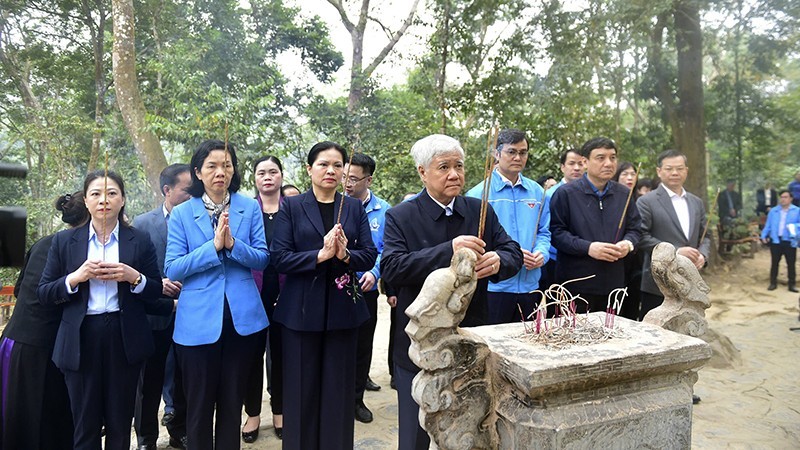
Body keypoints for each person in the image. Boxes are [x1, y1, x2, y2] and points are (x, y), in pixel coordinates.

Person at [381, 134, 523, 450]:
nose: (454, 174)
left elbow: (512, 250)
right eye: (443, 167)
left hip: (473, 334)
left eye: (458, 165)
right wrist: (449, 249)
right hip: (421, 341)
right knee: (416, 431)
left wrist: (499, 260)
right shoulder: (400, 215)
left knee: (473, 426)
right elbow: (392, 267)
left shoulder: (478, 209)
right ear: (422, 172)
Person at [38, 170, 172, 449]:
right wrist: (76, 277)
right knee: (85, 424)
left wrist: (132, 276)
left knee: (120, 423)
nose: (104, 200)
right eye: (96, 194)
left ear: (122, 200)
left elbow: (155, 290)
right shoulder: (64, 242)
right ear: (86, 201)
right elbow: (45, 293)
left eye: (111, 193)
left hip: (124, 337)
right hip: (80, 337)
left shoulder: (138, 240)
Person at [271, 142, 378, 450]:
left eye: (337, 165)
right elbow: (279, 257)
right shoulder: (290, 206)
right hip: (301, 311)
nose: (331, 170)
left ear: (345, 171)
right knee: (301, 391)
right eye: (323, 164)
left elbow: (369, 255)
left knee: (338, 392)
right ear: (309, 169)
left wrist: (345, 255)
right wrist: (319, 255)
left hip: (343, 310)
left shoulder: (353, 207)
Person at [164, 139, 269, 450]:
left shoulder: (248, 207)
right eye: (212, 165)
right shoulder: (183, 213)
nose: (220, 171)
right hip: (197, 324)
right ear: (198, 172)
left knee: (231, 402)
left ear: (233, 170)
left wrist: (234, 245)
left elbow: (263, 258)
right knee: (198, 405)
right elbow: (173, 267)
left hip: (242, 321)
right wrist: (213, 247)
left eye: (226, 165)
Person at [0, 192, 87, 450]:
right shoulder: (75, 248)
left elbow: (18, 290)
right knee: (42, 425)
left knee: (17, 422)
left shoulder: (43, 243)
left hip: (14, 342)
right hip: (40, 349)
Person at [132, 164, 191, 450]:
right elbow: (133, 269)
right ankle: (146, 438)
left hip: (190, 312)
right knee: (150, 380)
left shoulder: (201, 219)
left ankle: (179, 431)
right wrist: (158, 282)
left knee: (184, 378)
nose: (193, 194)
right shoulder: (142, 224)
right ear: (167, 190)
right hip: (154, 314)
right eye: (186, 189)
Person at [466, 128, 550, 324]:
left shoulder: (538, 192)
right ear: (497, 154)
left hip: (530, 285)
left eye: (523, 152)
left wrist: (541, 253)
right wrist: (512, 255)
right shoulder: (479, 194)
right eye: (511, 152)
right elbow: (476, 241)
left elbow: (544, 231)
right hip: (495, 286)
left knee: (527, 343)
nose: (518, 157)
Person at [549, 137, 642, 313]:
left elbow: (635, 229)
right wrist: (588, 248)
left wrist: (627, 244)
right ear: (585, 162)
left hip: (614, 285)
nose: (608, 163)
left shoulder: (624, 194)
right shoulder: (566, 194)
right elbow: (556, 233)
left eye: (613, 158)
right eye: (601, 158)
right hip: (575, 285)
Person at [343, 153, 391, 424]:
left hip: (366, 288)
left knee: (363, 345)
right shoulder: (336, 205)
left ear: (368, 179)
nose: (347, 183)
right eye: (344, 177)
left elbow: (387, 249)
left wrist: (375, 273)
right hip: (336, 288)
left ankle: (357, 400)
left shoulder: (384, 211)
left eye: (353, 178)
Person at [637, 149, 711, 319]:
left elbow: (705, 235)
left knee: (688, 329)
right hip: (658, 283)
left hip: (690, 282)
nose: (675, 173)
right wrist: (676, 251)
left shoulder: (696, 202)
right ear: (659, 171)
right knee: (655, 333)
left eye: (679, 168)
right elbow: (641, 236)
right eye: (669, 169)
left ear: (686, 170)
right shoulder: (647, 201)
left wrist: (703, 256)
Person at [242, 155, 285, 442]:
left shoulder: (294, 209)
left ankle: (280, 411)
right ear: (254, 179)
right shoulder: (245, 210)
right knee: (251, 357)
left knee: (282, 356)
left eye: (273, 171)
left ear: (282, 176)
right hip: (252, 294)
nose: (267, 177)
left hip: (287, 294)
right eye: (261, 173)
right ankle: (253, 414)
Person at [540, 148, 585, 295]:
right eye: (572, 163)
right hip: (556, 259)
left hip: (584, 258)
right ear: (562, 167)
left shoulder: (589, 192)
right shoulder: (551, 194)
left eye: (581, 163)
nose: (577, 168)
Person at [613, 162, 644, 320]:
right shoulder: (613, 199)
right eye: (625, 174)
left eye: (633, 174)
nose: (630, 177)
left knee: (633, 300)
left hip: (636, 260)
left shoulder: (640, 199)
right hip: (615, 259)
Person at [760, 190, 800, 292]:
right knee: (774, 262)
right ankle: (773, 283)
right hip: (776, 240)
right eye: (781, 197)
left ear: (791, 199)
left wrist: (793, 227)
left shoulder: (797, 211)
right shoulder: (774, 211)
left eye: (785, 197)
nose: (783, 199)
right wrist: (763, 235)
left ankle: (792, 284)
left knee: (791, 263)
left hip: (790, 241)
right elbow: (768, 225)